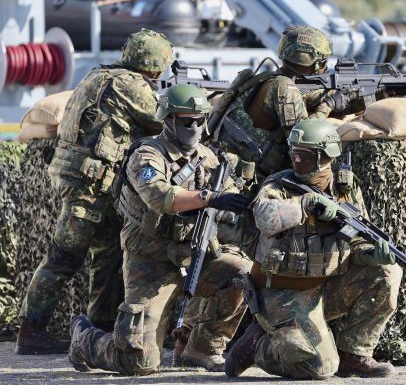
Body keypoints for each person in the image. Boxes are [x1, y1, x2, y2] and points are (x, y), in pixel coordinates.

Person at [67, 85, 252, 375]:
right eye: (186, 121)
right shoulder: (147, 155)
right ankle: (84, 339)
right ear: (168, 119)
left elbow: (229, 197)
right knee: (138, 362)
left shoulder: (210, 158)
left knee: (243, 275)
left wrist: (232, 204)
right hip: (151, 259)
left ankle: (201, 349)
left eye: (200, 120)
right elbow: (160, 197)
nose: (194, 127)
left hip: (195, 253)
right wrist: (209, 198)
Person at [16, 29, 173, 355]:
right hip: (89, 186)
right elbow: (163, 119)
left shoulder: (98, 75)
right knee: (64, 257)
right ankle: (31, 332)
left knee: (108, 251)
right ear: (157, 66)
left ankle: (99, 327)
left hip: (84, 183)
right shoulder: (130, 85)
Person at [225, 118, 402, 379]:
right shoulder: (279, 185)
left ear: (326, 156)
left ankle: (354, 355)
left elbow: (356, 238)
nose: (296, 161)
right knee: (319, 368)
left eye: (305, 156)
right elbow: (264, 217)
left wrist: (370, 254)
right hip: (282, 292)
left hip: (327, 285)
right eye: (294, 153)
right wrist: (305, 204)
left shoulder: (345, 187)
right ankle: (258, 345)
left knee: (388, 272)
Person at [208, 25, 349, 180]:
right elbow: (306, 140)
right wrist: (328, 105)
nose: (325, 66)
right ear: (314, 63)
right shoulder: (284, 87)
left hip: (227, 165)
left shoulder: (268, 78)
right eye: (323, 62)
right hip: (244, 177)